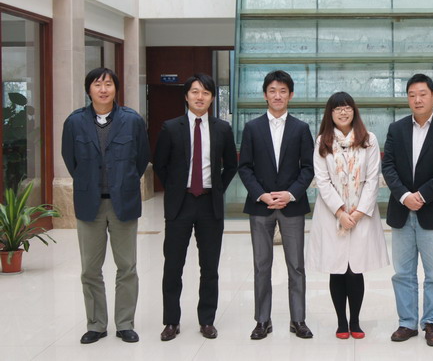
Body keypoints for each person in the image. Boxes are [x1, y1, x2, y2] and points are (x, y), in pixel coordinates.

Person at [61, 67, 150, 344]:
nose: (103, 89)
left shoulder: (132, 121)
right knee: (90, 269)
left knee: (127, 267)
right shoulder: (74, 122)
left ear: (115, 89)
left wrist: (123, 182)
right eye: (97, 84)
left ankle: (124, 324)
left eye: (108, 84)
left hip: (123, 203)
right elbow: (70, 159)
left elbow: (141, 159)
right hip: (90, 205)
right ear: (88, 89)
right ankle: (96, 324)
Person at [153, 73, 238, 341]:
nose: (200, 97)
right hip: (180, 204)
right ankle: (171, 321)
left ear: (212, 98)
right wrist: (176, 188)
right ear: (186, 96)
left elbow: (231, 165)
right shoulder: (171, 127)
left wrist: (217, 189)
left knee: (209, 267)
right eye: (195, 92)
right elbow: (160, 164)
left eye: (205, 92)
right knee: (173, 266)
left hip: (210, 204)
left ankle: (207, 320)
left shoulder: (222, 128)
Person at [381, 73, 433, 347]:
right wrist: (405, 196)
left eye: (423, 94)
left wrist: (423, 195)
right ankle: (406, 322)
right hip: (402, 211)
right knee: (402, 272)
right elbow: (388, 166)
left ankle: (432, 323)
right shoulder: (397, 128)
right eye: (412, 95)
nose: (417, 99)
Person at [238, 70, 315, 340]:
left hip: (292, 206)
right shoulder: (252, 128)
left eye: (283, 91)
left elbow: (308, 168)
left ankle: (298, 320)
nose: (277, 95)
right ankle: (262, 320)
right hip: (261, 206)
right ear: (265, 95)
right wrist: (261, 194)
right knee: (262, 265)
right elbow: (244, 167)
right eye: (272, 90)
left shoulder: (301, 128)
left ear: (290, 95)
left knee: (296, 266)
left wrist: (290, 194)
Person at [306, 92, 390, 340]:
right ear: (330, 114)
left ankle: (355, 321)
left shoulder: (368, 139)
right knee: (337, 268)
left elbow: (372, 178)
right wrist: (341, 212)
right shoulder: (322, 141)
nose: (343, 112)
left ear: (354, 111)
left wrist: (359, 211)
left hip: (361, 212)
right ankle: (341, 322)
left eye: (347, 107)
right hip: (332, 213)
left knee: (355, 269)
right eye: (337, 108)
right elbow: (322, 180)